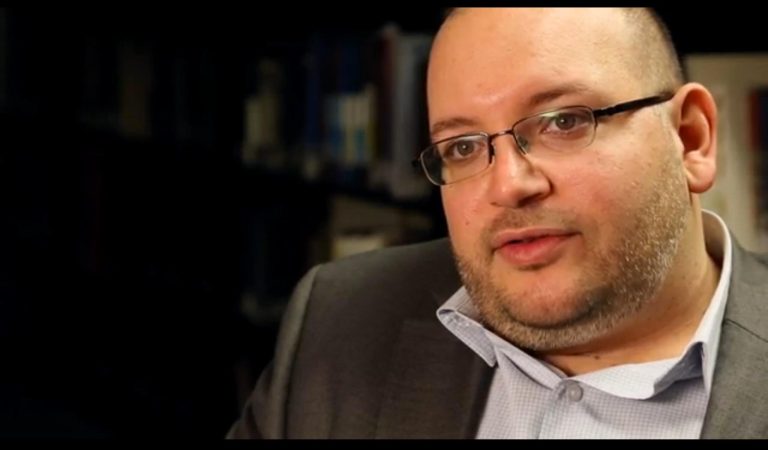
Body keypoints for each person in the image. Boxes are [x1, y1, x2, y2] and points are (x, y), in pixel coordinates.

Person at [228, 7, 768, 438]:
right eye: (462, 146)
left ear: (691, 139)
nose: (508, 185)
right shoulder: (343, 317)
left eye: (564, 122)